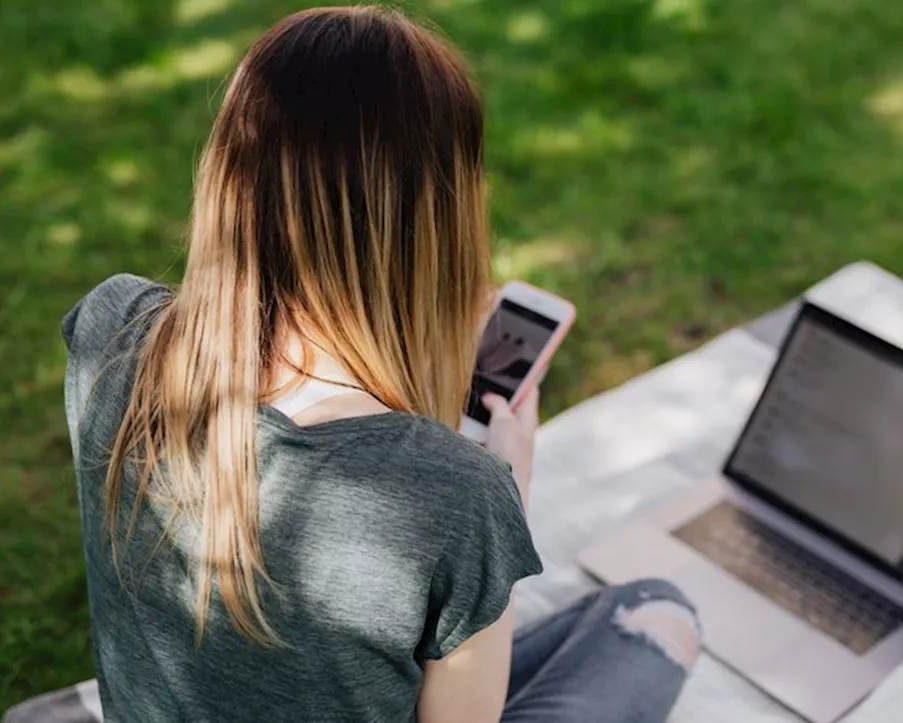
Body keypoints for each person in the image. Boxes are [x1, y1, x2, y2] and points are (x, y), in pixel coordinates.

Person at [57, 7, 699, 722]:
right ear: (437, 219)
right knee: (656, 614)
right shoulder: (458, 497)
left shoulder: (107, 327)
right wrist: (505, 493)